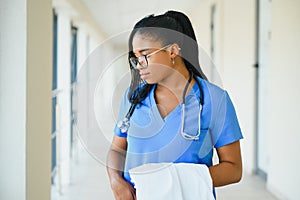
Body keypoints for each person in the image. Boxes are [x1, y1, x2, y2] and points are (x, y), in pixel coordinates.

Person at [106, 10, 243, 200]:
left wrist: (169, 181)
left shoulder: (215, 100)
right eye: (136, 58)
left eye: (145, 55)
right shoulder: (134, 98)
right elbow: (116, 149)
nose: (139, 65)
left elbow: (234, 169)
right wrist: (115, 180)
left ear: (172, 51)